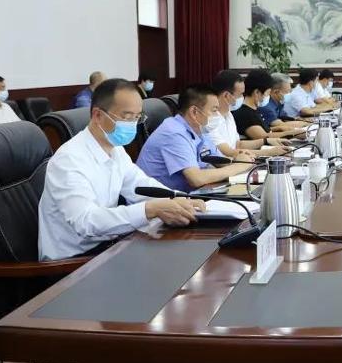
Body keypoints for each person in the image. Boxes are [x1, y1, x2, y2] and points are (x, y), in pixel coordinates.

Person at [37, 79, 206, 261]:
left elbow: (140, 185)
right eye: (126, 117)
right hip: (73, 261)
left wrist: (179, 199)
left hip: (107, 245)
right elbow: (86, 222)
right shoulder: (69, 160)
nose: (132, 124)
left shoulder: (115, 149)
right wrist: (149, 209)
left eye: (137, 117)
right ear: (97, 115)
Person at [136, 84, 253, 192]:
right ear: (194, 112)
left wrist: (240, 159)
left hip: (186, 196)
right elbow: (196, 179)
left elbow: (221, 162)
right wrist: (239, 166)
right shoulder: (173, 133)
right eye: (214, 110)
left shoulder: (200, 131)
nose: (217, 115)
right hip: (158, 202)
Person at [207, 70, 290, 158]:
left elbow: (238, 144)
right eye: (241, 94)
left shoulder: (228, 114)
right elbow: (228, 152)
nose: (243, 97)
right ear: (226, 95)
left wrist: (266, 141)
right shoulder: (211, 120)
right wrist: (268, 152)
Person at [233, 69, 307, 141]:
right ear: (257, 92)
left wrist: (278, 128)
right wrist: (293, 133)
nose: (268, 97)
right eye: (268, 93)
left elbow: (264, 130)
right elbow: (262, 136)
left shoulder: (254, 110)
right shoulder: (245, 114)